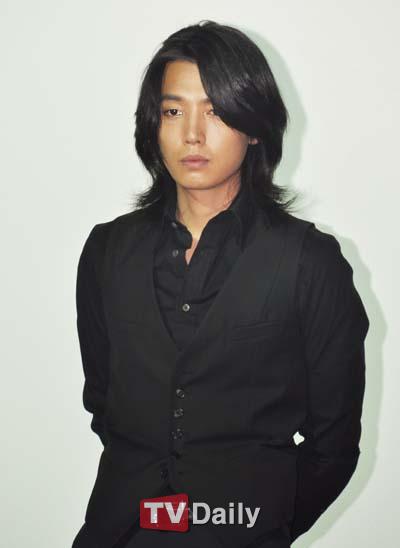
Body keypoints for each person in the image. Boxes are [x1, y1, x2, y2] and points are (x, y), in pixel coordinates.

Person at [71, 20, 369, 548]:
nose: (192, 133)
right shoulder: (107, 251)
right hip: (118, 534)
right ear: (153, 125)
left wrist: (262, 523)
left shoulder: (310, 263)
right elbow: (103, 403)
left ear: (254, 126)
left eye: (215, 111)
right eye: (173, 111)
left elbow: (334, 447)